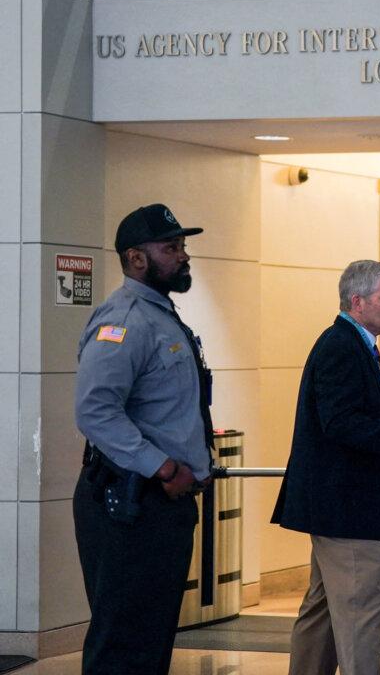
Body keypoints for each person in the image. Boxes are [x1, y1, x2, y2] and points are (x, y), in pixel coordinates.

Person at [271, 259, 380, 675]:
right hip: (346, 511)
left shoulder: (354, 344)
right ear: (358, 301)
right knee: (359, 615)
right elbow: (341, 423)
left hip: (337, 509)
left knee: (325, 612)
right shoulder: (341, 346)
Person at [73, 203, 213, 675]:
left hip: (161, 506)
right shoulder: (127, 320)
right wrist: (164, 467)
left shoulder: (162, 316)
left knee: (150, 638)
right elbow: (95, 410)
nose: (183, 255)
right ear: (136, 258)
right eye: (170, 247)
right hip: (130, 503)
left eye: (183, 246)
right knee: (124, 641)